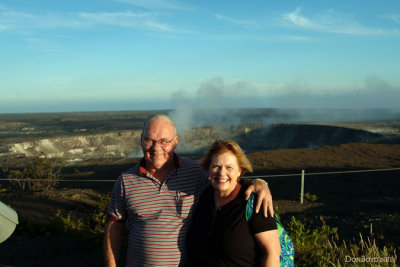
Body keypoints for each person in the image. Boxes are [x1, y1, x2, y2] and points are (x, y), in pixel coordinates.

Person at [104, 114, 274, 267]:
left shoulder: (195, 173)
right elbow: (115, 227)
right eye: (149, 140)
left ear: (175, 142)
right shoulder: (126, 181)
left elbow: (224, 181)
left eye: (164, 141)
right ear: (141, 140)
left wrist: (259, 183)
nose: (156, 148)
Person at [188, 140, 281, 267]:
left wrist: (260, 183)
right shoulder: (205, 197)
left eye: (229, 167)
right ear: (208, 168)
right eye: (216, 166)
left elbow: (273, 253)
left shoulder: (254, 202)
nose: (221, 173)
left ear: (240, 171)